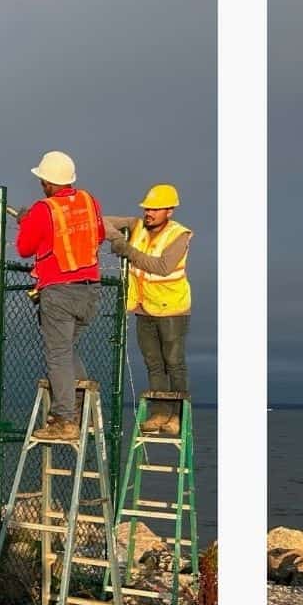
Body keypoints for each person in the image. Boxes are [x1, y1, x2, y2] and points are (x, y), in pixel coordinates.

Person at [10, 150, 105, 442]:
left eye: (42, 180)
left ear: (48, 182)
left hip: (60, 289)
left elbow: (25, 248)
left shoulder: (44, 209)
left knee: (59, 354)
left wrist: (26, 222)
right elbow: (98, 234)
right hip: (89, 289)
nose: (41, 185)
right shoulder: (89, 201)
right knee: (66, 349)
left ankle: (65, 418)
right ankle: (81, 410)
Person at [105, 185, 193, 435]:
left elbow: (162, 267)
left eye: (155, 209)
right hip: (144, 307)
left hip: (173, 309)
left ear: (170, 211)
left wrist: (127, 250)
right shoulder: (136, 225)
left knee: (174, 363)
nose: (149, 213)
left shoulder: (179, 235)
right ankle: (159, 413)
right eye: (147, 208)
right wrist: (117, 238)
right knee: (153, 363)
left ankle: (177, 416)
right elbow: (101, 222)